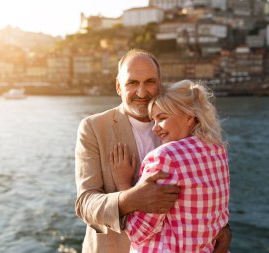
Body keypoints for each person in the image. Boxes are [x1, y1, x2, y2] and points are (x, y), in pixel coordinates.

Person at [75, 49, 231, 253]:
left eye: (149, 82)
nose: (141, 92)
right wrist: (129, 199)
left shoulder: (182, 124)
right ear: (118, 87)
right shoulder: (93, 128)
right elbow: (85, 204)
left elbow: (207, 187)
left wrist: (224, 229)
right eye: (132, 83)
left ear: (160, 84)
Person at [110, 80, 230, 252]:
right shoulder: (218, 150)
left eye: (162, 118)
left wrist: (123, 184)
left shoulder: (165, 157)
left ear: (189, 116)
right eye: (153, 120)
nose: (154, 128)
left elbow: (138, 233)